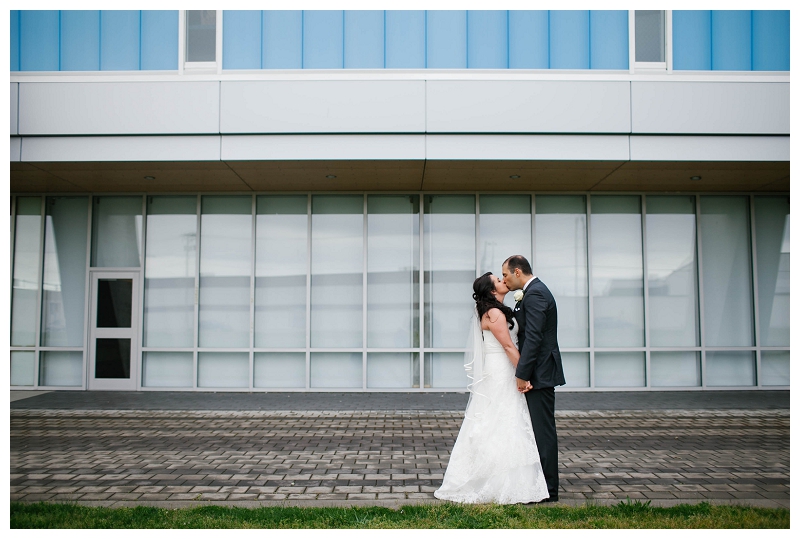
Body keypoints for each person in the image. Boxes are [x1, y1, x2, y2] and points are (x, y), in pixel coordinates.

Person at [433, 272, 549, 504]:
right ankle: (492, 479)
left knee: (506, 421)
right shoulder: (494, 313)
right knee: (500, 420)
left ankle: (509, 478)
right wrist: (523, 375)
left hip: (503, 368)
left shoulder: (497, 310)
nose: (503, 281)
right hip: (501, 371)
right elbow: (507, 345)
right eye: (498, 280)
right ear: (492, 290)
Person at [502, 255, 565, 503]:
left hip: (539, 373)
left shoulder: (536, 293)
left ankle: (549, 490)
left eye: (505, 274)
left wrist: (522, 374)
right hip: (536, 372)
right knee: (536, 430)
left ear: (518, 272)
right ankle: (540, 485)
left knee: (543, 431)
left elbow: (534, 338)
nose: (504, 279)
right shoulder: (531, 292)